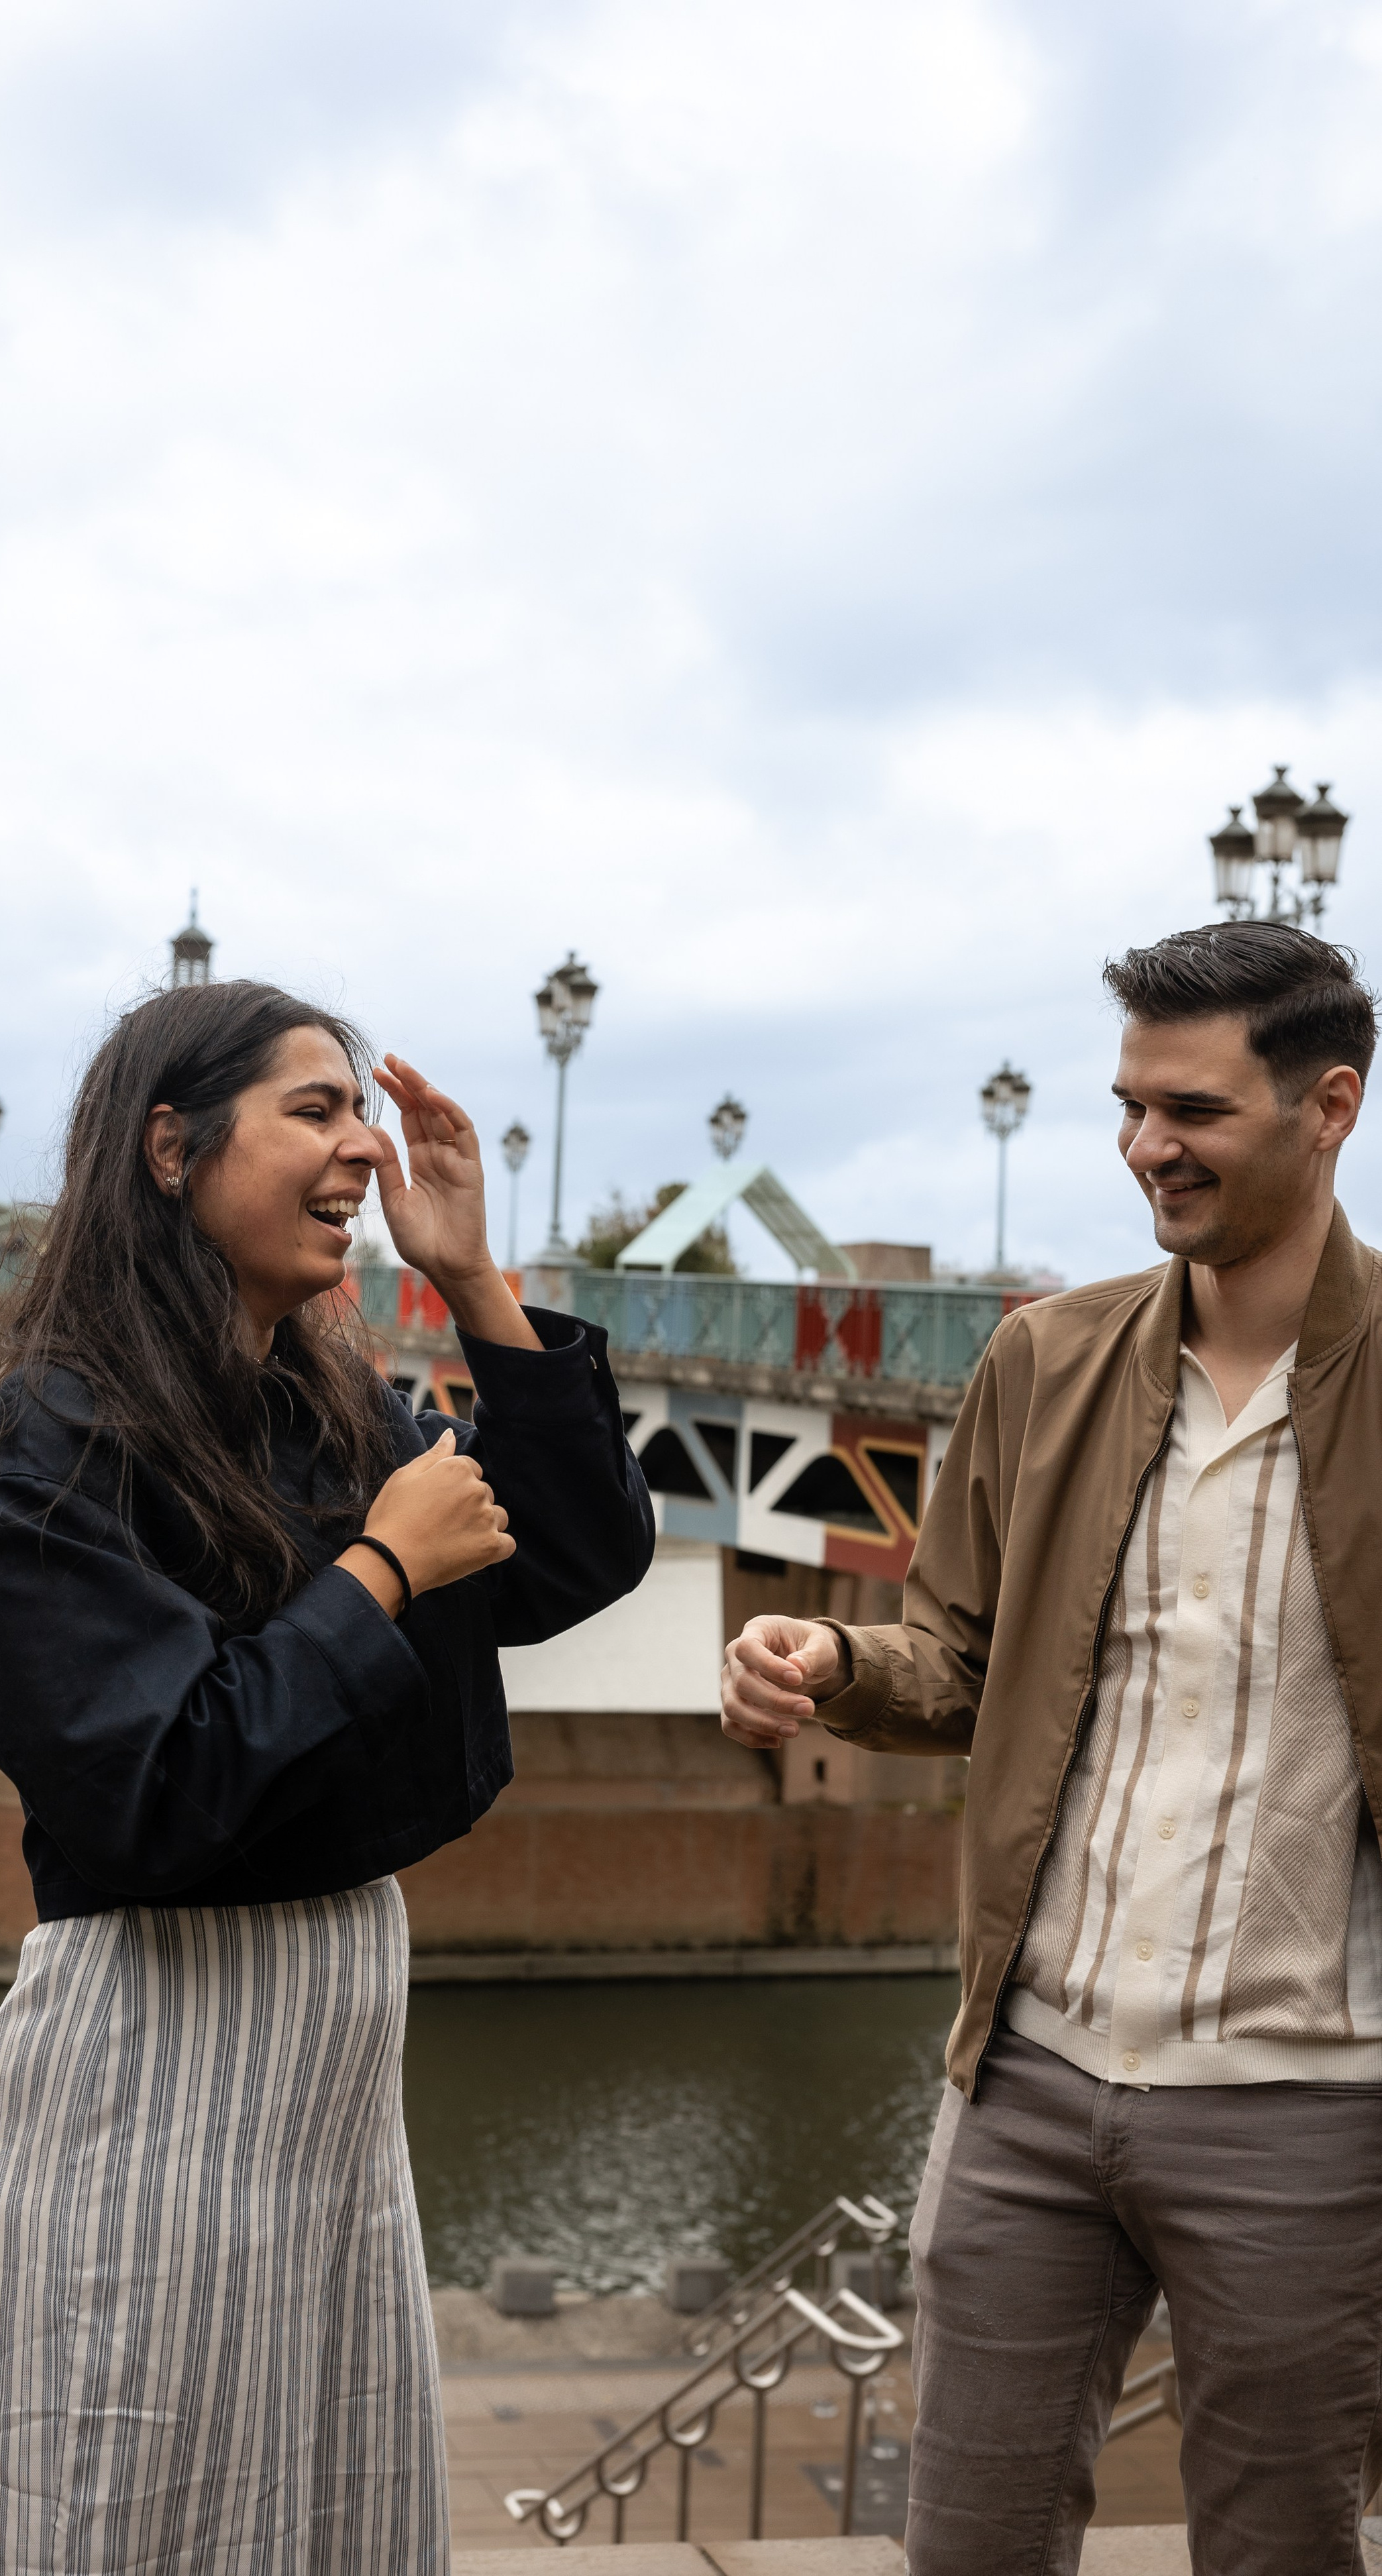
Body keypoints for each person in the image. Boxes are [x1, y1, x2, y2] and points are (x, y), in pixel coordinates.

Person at [0, 977, 653, 2576]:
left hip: (326, 2077)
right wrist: (383, 1567)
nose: (361, 1148)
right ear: (170, 1147)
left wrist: (469, 1283)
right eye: (313, 1111)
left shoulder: (326, 1400)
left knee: (328, 2516)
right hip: (154, 2061)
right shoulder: (56, 1431)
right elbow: (152, 1787)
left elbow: (573, 1563)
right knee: (130, 2518)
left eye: (358, 1110)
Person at [720, 920, 1382, 2576]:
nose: (1145, 1147)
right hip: (1024, 2078)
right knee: (970, 2537)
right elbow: (952, 1653)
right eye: (1128, 1105)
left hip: (1311, 2104)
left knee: (1280, 2547)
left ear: (1329, 1109)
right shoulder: (1044, 1357)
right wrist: (832, 1659)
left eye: (1196, 1112)